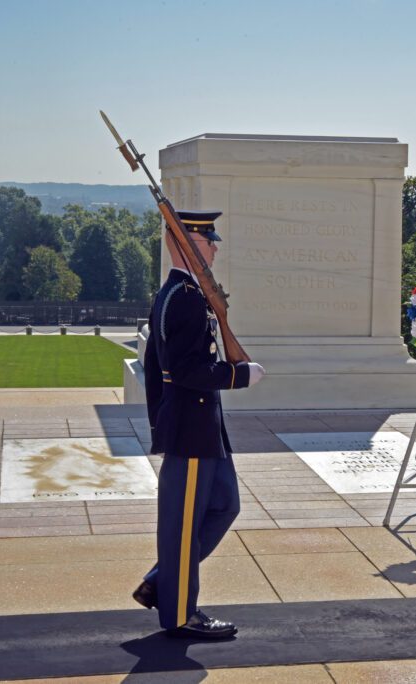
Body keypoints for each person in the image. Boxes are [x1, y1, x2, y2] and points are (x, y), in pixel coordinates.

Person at [133, 209, 265, 639]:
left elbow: (161, 368)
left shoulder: (187, 293)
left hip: (204, 428)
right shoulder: (184, 298)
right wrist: (239, 375)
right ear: (187, 246)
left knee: (226, 505)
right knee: (183, 525)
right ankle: (178, 613)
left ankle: (160, 579)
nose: (215, 249)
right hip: (191, 430)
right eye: (208, 242)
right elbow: (187, 370)